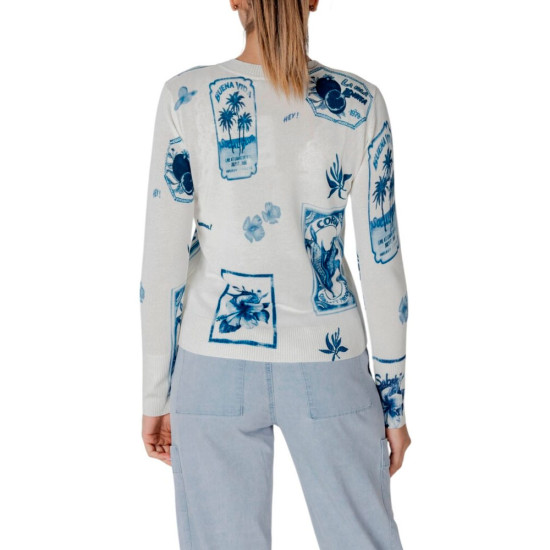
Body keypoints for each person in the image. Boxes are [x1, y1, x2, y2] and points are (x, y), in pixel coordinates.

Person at [139, 0, 412, 547]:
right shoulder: (360, 103)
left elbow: (161, 265)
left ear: (235, 0)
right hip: (330, 361)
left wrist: (156, 396)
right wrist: (394, 405)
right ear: (313, 0)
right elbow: (381, 263)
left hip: (212, 363)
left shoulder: (186, 97)